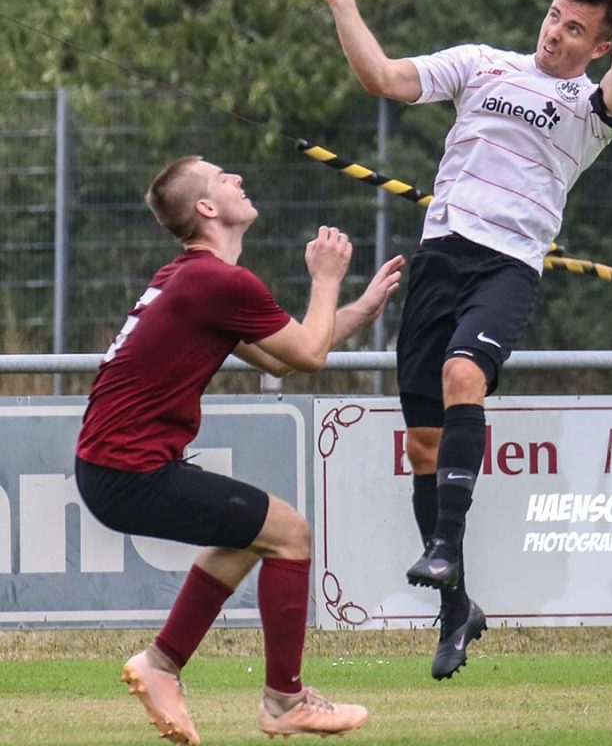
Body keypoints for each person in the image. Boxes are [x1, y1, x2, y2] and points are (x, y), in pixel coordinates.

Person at [309, 0, 612, 680]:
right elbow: (384, 78)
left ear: (597, 45)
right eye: (554, 18)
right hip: (439, 258)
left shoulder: (588, 107)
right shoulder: (482, 65)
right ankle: (455, 609)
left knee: (463, 374)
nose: (556, 35)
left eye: (575, 31)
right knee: (421, 446)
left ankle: (442, 546)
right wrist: (342, 3)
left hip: (505, 266)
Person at [75, 155, 405, 745]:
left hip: (113, 468)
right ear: (206, 208)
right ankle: (283, 702)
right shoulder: (217, 282)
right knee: (290, 533)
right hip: (128, 469)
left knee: (252, 536)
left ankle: (162, 664)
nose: (238, 180)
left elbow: (284, 358)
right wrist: (326, 279)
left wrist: (358, 310)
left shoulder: (196, 279)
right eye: (223, 178)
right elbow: (308, 354)